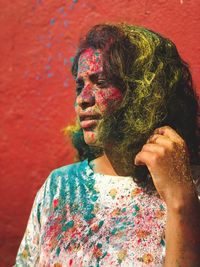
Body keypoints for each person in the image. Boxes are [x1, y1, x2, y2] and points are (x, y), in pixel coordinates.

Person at [15, 23, 200, 267]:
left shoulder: (190, 186)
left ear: (143, 91)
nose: (83, 99)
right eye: (80, 86)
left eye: (100, 82)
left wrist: (180, 200)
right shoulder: (58, 187)